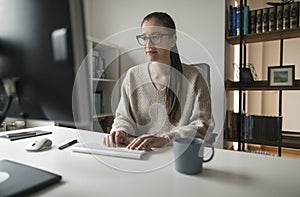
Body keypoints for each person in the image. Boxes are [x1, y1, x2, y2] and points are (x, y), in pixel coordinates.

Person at [104, 12, 214, 150]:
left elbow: (203, 125)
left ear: (173, 39)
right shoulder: (133, 76)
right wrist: (120, 130)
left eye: (155, 37)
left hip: (179, 153)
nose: (148, 44)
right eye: (144, 38)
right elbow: (124, 117)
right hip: (139, 152)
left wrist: (166, 139)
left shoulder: (195, 77)